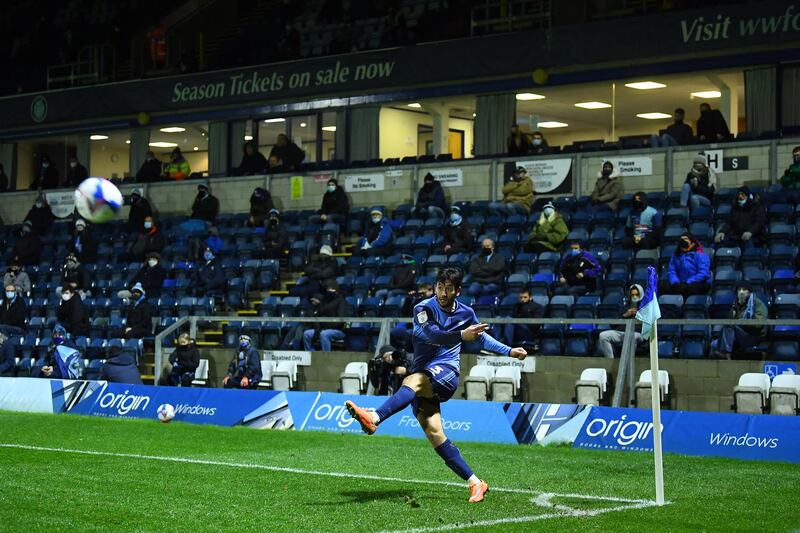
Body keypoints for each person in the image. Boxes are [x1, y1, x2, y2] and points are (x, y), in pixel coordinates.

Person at [344, 268, 527, 503]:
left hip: (446, 373)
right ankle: (476, 483)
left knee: (413, 380)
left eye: (448, 288)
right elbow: (433, 335)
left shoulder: (466, 312)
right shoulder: (423, 309)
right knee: (435, 434)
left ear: (457, 291)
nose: (442, 292)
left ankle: (375, 417)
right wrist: (463, 335)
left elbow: (480, 337)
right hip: (424, 374)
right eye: (439, 287)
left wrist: (509, 351)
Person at [711, 281, 768, 360]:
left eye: (744, 289)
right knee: (713, 344)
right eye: (739, 289)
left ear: (749, 292)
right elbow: (729, 321)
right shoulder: (736, 304)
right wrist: (733, 311)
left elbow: (758, 324)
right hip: (737, 336)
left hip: (753, 336)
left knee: (732, 325)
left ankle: (726, 353)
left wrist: (740, 322)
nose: (741, 292)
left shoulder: (758, 304)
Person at [597, 284, 645, 358]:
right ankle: (610, 361)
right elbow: (613, 324)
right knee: (603, 336)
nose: (634, 297)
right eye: (632, 295)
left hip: (637, 333)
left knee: (632, 336)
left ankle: (627, 363)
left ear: (641, 294)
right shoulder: (625, 307)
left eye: (636, 294)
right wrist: (625, 315)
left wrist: (639, 315)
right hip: (622, 332)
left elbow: (648, 325)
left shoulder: (645, 307)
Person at [659, 232, 711, 298]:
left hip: (696, 282)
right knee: (663, 287)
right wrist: (675, 282)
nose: (683, 242)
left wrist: (687, 282)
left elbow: (703, 273)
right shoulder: (676, 255)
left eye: (686, 240)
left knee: (691, 289)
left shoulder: (700, 255)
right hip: (680, 283)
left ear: (692, 243)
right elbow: (672, 271)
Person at [303, 281, 348, 352]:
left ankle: (326, 356)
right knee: (307, 334)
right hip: (321, 329)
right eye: (328, 288)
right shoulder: (324, 301)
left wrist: (324, 325)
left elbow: (340, 321)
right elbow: (317, 315)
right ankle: (312, 354)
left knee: (324, 334)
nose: (329, 290)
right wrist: (318, 327)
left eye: (332, 289)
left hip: (338, 330)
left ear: (336, 290)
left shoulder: (341, 302)